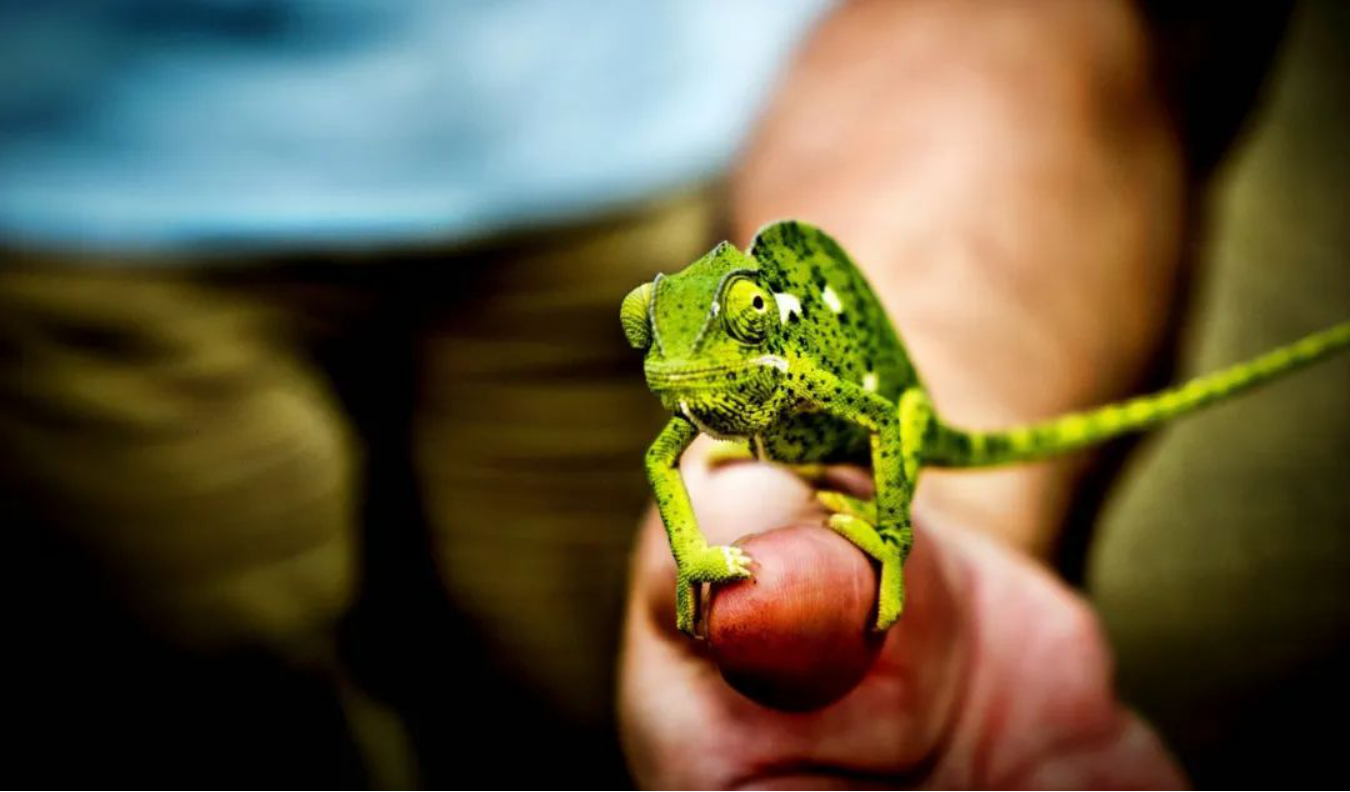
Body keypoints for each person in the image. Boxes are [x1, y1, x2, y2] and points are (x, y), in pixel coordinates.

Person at [4, 0, 1334, 788]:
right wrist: (703, 532)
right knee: (194, 678)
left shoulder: (781, 357)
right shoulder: (703, 374)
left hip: (673, 148)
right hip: (61, 206)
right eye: (657, 334)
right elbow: (667, 462)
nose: (678, 363)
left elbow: (892, 421)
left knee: (593, 684)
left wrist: (912, 541)